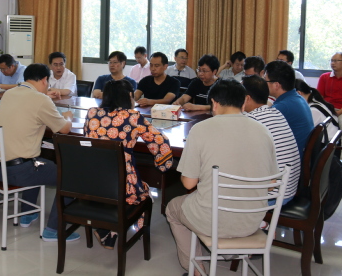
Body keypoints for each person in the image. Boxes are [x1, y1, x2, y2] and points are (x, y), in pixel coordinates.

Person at [165, 79, 278, 274]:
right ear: (244, 102)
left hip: (213, 221)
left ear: (214, 103)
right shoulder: (263, 131)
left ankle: (196, 271)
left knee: (172, 208)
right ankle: (231, 251)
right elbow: (271, 185)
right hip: (251, 221)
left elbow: (189, 183)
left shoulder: (200, 129)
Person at [0, 63, 79, 242]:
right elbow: (64, 129)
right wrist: (68, 116)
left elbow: (28, 105)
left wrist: (44, 96)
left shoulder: (10, 93)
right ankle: (53, 230)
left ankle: (27, 214)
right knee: (71, 177)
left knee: (37, 159)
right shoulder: (40, 100)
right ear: (45, 80)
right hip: (19, 171)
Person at [85, 78, 174, 249]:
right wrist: (163, 165)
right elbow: (160, 141)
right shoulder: (133, 117)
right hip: (122, 185)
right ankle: (127, 229)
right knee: (145, 193)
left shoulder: (91, 113)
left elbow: (88, 140)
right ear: (129, 96)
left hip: (92, 182)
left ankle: (109, 231)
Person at [242, 75, 300, 205]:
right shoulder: (276, 113)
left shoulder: (252, 120)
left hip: (272, 197)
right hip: (288, 190)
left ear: (247, 98)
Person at [264, 61, 314, 157]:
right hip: (299, 156)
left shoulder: (283, 107)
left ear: (276, 85)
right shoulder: (297, 98)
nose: (264, 84)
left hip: (290, 160)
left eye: (265, 81)